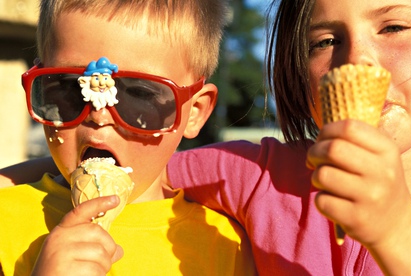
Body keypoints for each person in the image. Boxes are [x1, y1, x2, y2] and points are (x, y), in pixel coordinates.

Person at [2, 0, 411, 275]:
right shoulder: (256, 177)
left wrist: (398, 230)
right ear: (300, 74)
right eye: (324, 41)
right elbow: (139, 162)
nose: (357, 60)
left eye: (394, 27)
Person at [0, 1, 257, 275]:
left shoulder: (227, 249)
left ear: (193, 112)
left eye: (140, 95)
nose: (99, 116)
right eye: (68, 87)